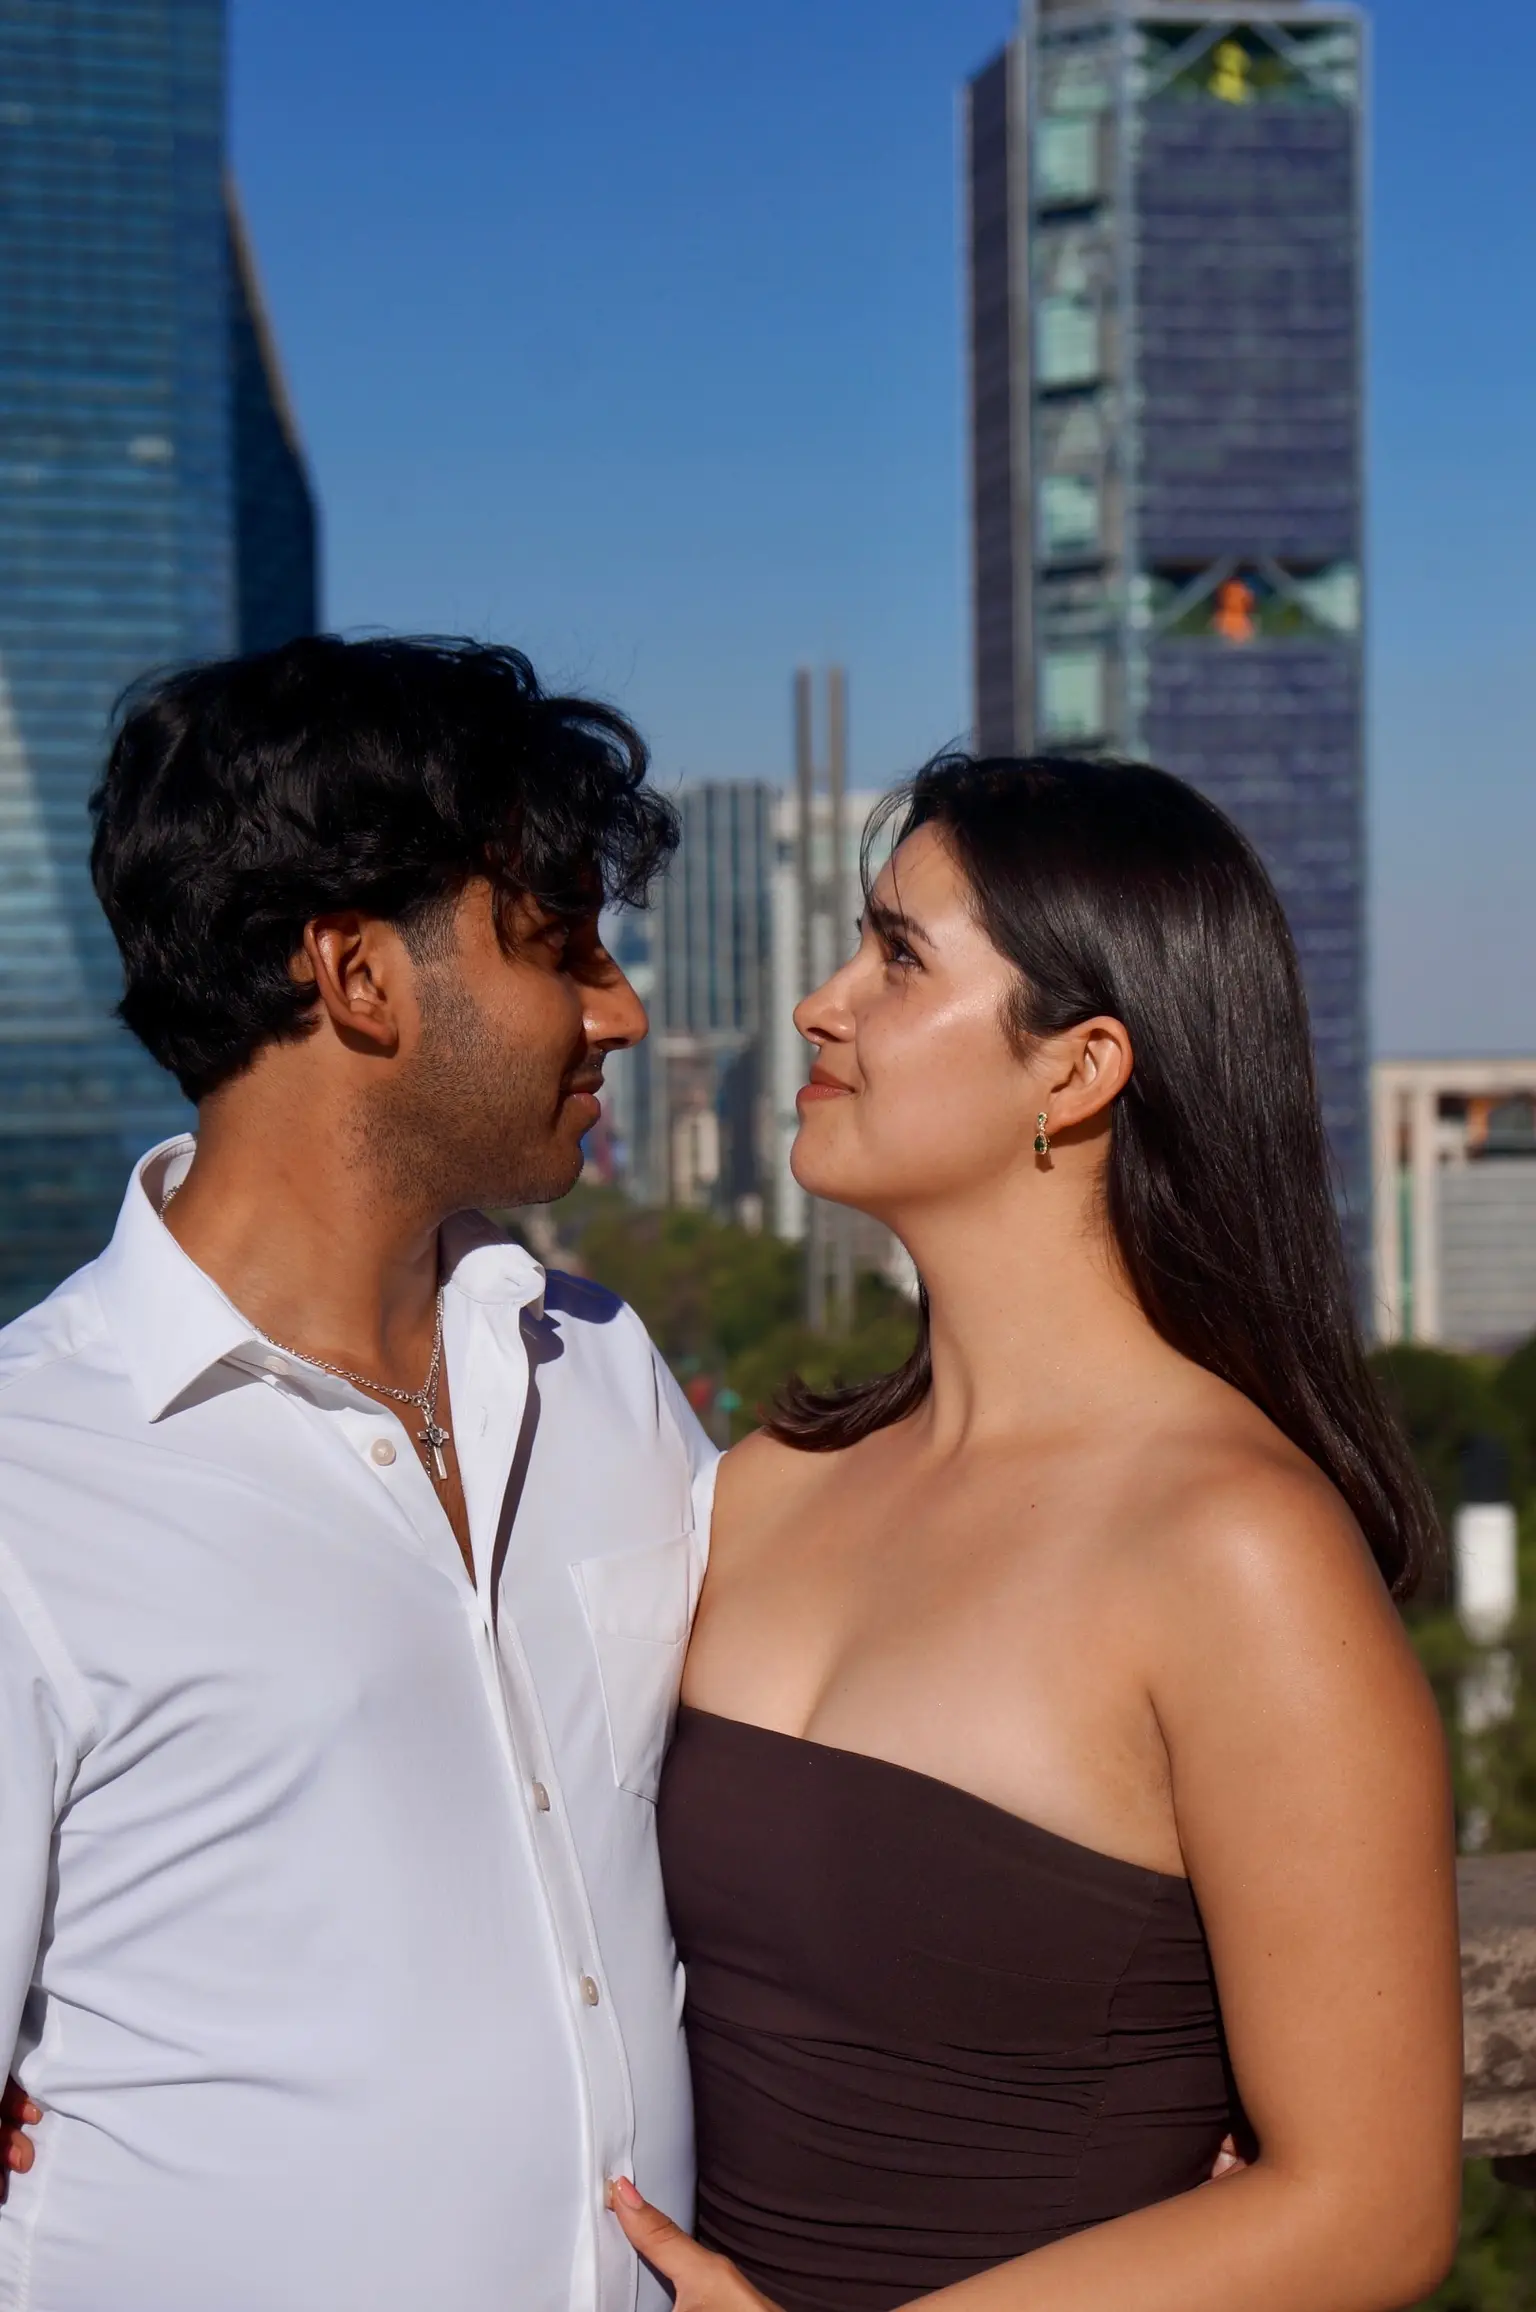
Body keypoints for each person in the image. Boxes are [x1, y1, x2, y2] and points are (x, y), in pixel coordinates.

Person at [609, 754, 1465, 2312]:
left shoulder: (1237, 1554)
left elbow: (1374, 2210)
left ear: (1074, 1074)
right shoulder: (767, 1484)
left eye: (895, 958)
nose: (821, 1003)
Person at [0, 636, 718, 2311]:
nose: (619, 1009)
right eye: (562, 948)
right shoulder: (29, 1489)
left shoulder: (603, 1369)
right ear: (356, 977)